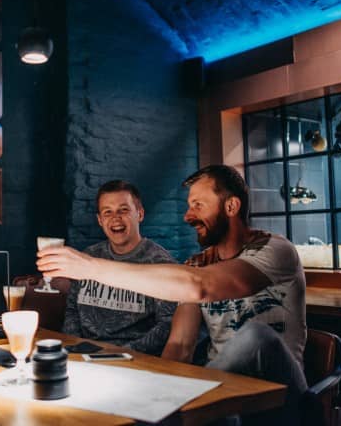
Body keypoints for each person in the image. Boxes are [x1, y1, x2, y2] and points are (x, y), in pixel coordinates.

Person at [38, 165, 307, 426]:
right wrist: (157, 398)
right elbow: (180, 345)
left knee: (254, 335)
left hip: (284, 397)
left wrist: (90, 268)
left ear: (231, 207)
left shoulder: (274, 250)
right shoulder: (197, 264)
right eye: (189, 206)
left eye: (198, 205)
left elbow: (201, 287)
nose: (187, 216)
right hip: (227, 397)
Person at [62, 180, 177, 355]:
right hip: (84, 355)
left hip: (133, 361)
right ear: (100, 220)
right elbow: (71, 310)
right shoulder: (88, 257)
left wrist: (120, 353)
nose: (115, 218)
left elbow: (167, 324)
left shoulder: (160, 263)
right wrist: (78, 346)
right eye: (107, 212)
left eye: (123, 210)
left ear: (140, 214)